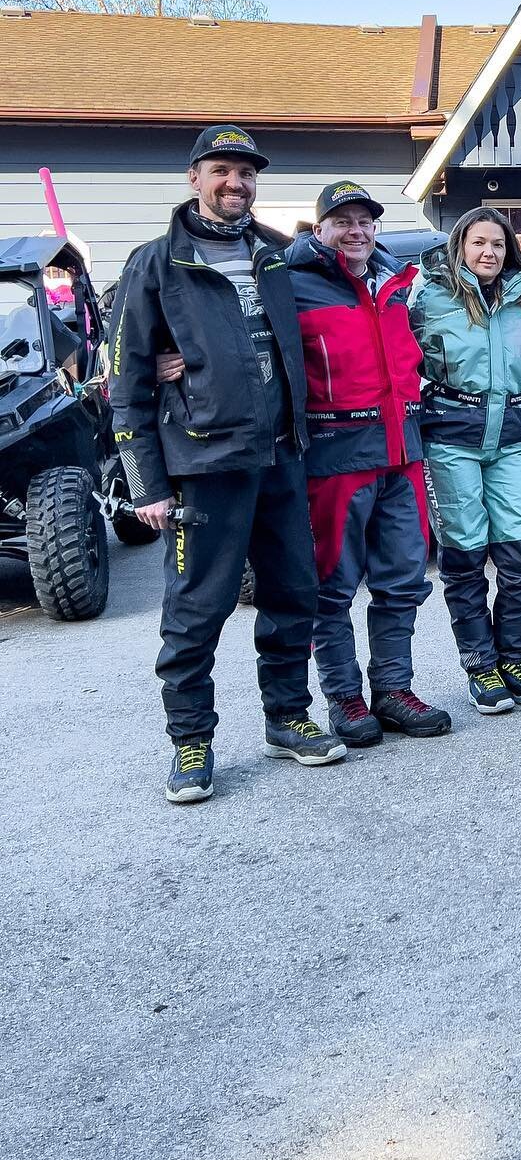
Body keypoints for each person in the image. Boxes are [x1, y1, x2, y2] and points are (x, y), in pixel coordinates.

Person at [108, 124, 344, 804]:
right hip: (204, 466)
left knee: (293, 593)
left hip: (281, 458)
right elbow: (123, 381)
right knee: (196, 610)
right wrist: (146, 482)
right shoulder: (153, 264)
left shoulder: (277, 256)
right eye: (221, 172)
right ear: (194, 178)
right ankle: (190, 740)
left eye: (245, 174)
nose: (234, 184)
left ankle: (287, 717)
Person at [283, 183, 450, 745]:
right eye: (342, 221)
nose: (355, 231)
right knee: (333, 586)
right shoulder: (289, 284)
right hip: (336, 459)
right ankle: (345, 697)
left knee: (404, 580)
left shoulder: (396, 282)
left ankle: (393, 690)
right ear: (319, 229)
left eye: (365, 221)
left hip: (401, 452)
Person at [409, 206, 521, 714]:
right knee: (466, 555)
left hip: (510, 437)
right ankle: (480, 663)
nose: (488, 253)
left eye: (497, 244)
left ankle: (512, 656)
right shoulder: (428, 295)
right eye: (478, 243)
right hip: (453, 437)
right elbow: (400, 354)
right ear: (459, 246)